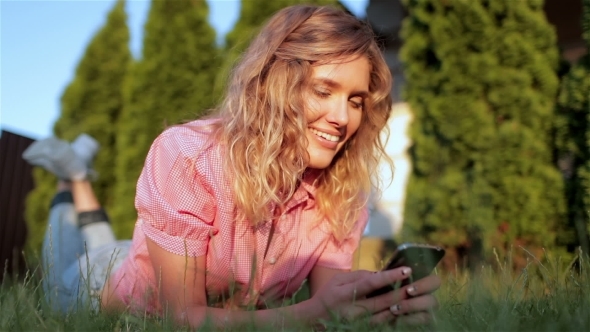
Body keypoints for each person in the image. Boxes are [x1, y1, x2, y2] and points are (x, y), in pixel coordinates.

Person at [24, 5, 441, 329]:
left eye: (355, 100)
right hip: (100, 285)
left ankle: (78, 174)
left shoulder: (342, 189)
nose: (342, 117)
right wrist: (307, 316)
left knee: (115, 241)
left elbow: (327, 312)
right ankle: (70, 177)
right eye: (323, 90)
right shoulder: (189, 156)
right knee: (66, 261)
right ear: (276, 84)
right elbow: (181, 320)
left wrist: (378, 308)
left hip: (145, 257)